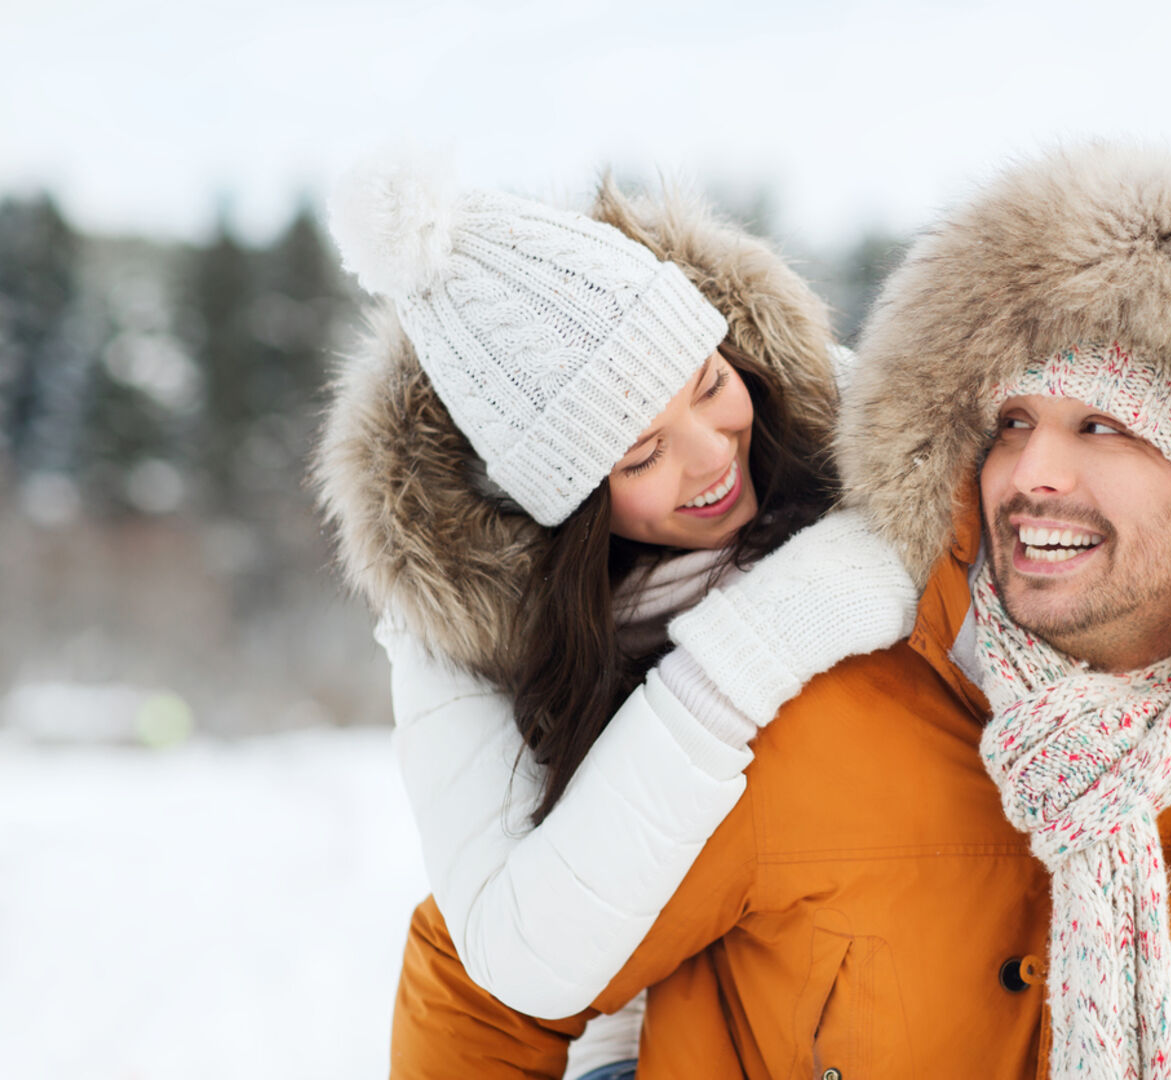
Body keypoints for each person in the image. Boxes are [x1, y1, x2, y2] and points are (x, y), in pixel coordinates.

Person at [369, 142, 1171, 1079]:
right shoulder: (795, 717)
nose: (1032, 470)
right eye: (1010, 420)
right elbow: (493, 970)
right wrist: (736, 660)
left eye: (1104, 428)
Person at [315, 154, 918, 1076]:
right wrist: (751, 650)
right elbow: (524, 954)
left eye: (711, 383)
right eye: (641, 457)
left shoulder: (856, 443)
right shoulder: (465, 624)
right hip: (637, 1035)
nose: (714, 454)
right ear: (568, 501)